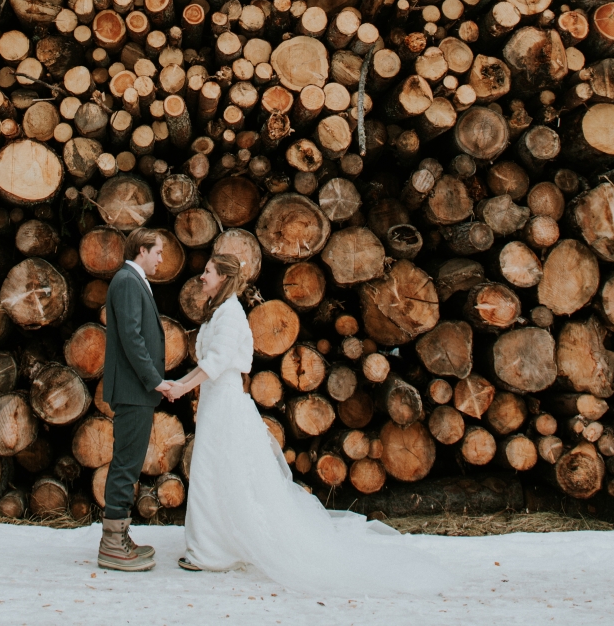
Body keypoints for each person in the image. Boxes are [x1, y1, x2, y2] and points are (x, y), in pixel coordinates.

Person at [166, 253, 449, 597]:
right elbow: (208, 363)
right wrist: (185, 385)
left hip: (225, 403)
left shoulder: (230, 315)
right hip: (214, 402)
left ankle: (212, 551)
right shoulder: (216, 312)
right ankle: (215, 544)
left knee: (219, 470)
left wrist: (182, 386)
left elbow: (215, 364)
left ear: (224, 278)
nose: (202, 276)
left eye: (208, 271)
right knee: (214, 469)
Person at [98, 227, 174, 572]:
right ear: (142, 250)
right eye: (158, 251)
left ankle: (121, 536)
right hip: (133, 390)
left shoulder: (133, 280)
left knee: (127, 464)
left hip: (136, 391)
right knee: (126, 465)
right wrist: (154, 380)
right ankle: (112, 544)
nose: (162, 258)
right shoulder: (128, 281)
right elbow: (131, 336)